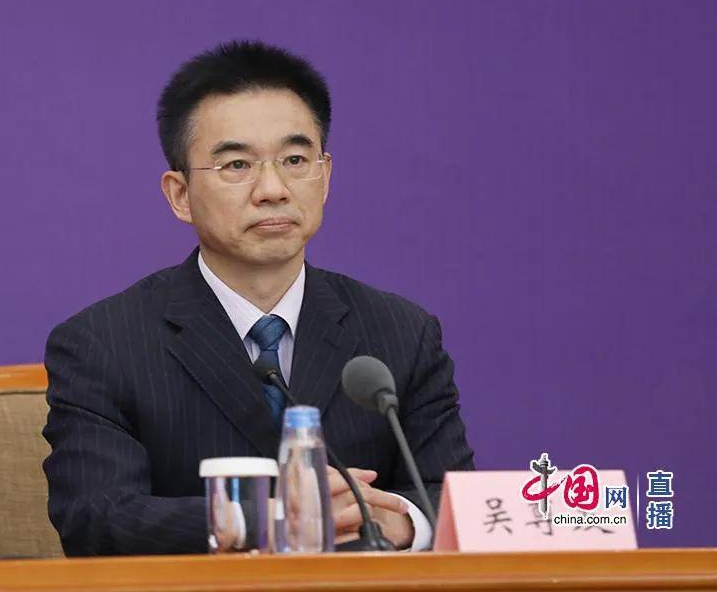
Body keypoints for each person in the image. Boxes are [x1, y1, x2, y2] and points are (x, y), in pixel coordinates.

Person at [42, 40, 475, 556]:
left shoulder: (401, 333)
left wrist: (398, 523)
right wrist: (270, 520)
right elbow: (95, 517)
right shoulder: (102, 343)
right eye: (237, 165)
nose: (272, 189)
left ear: (325, 177)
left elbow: (452, 497)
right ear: (180, 194)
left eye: (295, 159)